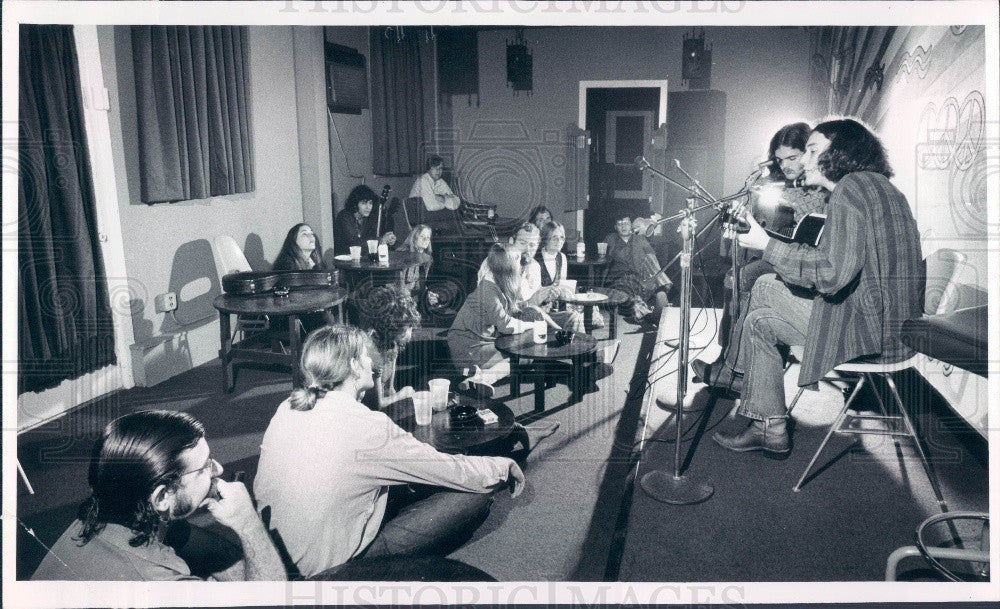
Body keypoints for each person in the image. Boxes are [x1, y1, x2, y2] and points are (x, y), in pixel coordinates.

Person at [709, 118, 924, 456]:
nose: (803, 160)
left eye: (811, 150)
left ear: (840, 152)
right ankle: (770, 427)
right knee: (759, 322)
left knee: (764, 284)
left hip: (871, 334)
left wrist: (765, 244)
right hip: (894, 329)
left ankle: (733, 374)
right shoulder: (881, 187)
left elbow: (831, 274)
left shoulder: (851, 190)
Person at [253, 324, 524, 578]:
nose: (372, 362)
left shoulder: (288, 405)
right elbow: (447, 469)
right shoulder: (368, 426)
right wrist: (501, 466)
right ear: (354, 366)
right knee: (476, 496)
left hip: (272, 557)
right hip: (329, 570)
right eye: (366, 356)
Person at [32, 410, 286, 581]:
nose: (218, 470)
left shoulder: (103, 514)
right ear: (162, 496)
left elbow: (200, 546)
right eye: (205, 466)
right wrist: (247, 524)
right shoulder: (158, 581)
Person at [692, 122, 828, 388]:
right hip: (777, 256)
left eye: (793, 157)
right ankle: (729, 356)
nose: (786, 165)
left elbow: (811, 220)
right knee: (734, 277)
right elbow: (762, 219)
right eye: (780, 159)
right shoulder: (778, 181)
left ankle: (737, 369)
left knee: (745, 279)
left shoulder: (821, 183)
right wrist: (753, 187)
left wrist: (788, 198)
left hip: (805, 264)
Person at [453, 243, 560, 397]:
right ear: (508, 267)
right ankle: (481, 378)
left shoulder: (493, 284)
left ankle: (476, 378)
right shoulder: (488, 290)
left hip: (477, 342)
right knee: (523, 356)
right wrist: (532, 325)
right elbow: (506, 326)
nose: (520, 263)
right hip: (467, 349)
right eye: (517, 260)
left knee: (524, 354)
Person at [359, 284, 420, 409]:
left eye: (411, 327)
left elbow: (389, 390)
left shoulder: (392, 344)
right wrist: (402, 394)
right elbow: (375, 405)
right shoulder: (371, 353)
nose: (410, 334)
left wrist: (397, 397)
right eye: (406, 329)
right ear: (390, 328)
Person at [603, 213, 670, 321]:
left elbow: (652, 258)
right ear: (615, 227)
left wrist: (655, 277)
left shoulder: (640, 238)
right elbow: (602, 259)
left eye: (626, 223)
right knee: (629, 296)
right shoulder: (610, 239)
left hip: (640, 277)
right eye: (620, 224)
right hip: (619, 278)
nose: (623, 227)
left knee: (651, 264)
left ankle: (660, 294)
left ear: (631, 225)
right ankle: (648, 314)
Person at [333, 184, 396, 255]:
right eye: (364, 203)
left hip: (362, 258)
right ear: (355, 203)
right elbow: (355, 243)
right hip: (344, 259)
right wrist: (381, 240)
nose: (368, 207)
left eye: (370, 203)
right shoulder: (344, 216)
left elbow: (372, 239)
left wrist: (388, 240)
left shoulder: (368, 218)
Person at [396, 224, 441, 309]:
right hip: (401, 302)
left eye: (428, 237)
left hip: (416, 300)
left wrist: (429, 295)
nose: (426, 240)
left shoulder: (427, 258)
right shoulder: (403, 254)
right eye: (422, 236)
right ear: (414, 238)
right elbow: (398, 286)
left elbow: (422, 284)